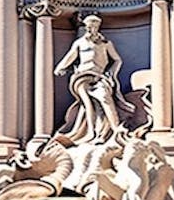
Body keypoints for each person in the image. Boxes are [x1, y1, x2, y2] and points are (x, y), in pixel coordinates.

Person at [53, 15, 134, 144]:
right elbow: (70, 57)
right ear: (86, 27)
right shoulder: (80, 43)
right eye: (89, 27)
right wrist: (60, 67)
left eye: (95, 26)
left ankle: (115, 129)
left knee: (104, 98)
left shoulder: (105, 43)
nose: (92, 29)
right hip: (82, 77)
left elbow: (117, 60)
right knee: (88, 105)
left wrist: (111, 73)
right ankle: (92, 133)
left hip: (99, 76)